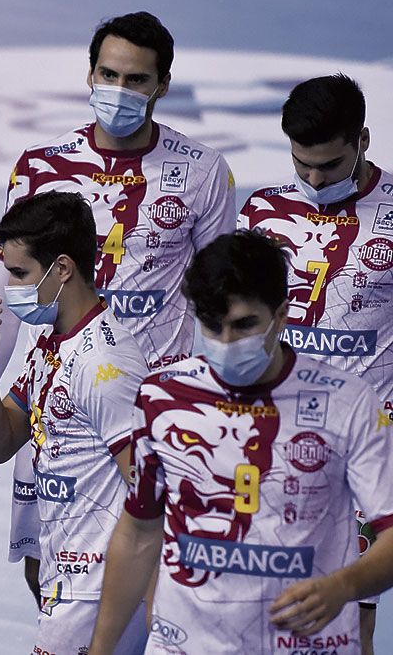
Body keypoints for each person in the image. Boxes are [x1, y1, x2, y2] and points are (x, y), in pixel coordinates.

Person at [0, 10, 237, 609]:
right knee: (47, 569)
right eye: (107, 74)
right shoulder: (40, 168)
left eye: (136, 80)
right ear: (88, 74)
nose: (119, 91)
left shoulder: (202, 172)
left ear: (161, 85)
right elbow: (10, 289)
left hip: (151, 410)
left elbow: (221, 300)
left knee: (152, 582)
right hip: (54, 399)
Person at [89, 230, 393, 654]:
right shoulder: (161, 397)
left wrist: (343, 586)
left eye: (245, 325)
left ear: (282, 314)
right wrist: (101, 648)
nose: (227, 343)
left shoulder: (347, 403)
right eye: (212, 326)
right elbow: (140, 530)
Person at [238, 73, 392, 654]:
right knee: (255, 605)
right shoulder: (262, 211)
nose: (313, 179)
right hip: (270, 437)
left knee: (349, 614)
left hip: (361, 446)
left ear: (364, 141)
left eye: (328, 165)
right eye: (301, 164)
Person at [0, 191, 149, 653]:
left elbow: (153, 498)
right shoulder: (51, 346)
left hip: (100, 593)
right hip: (65, 580)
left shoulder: (107, 366)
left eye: (20, 274)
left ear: (62, 269)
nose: (8, 288)